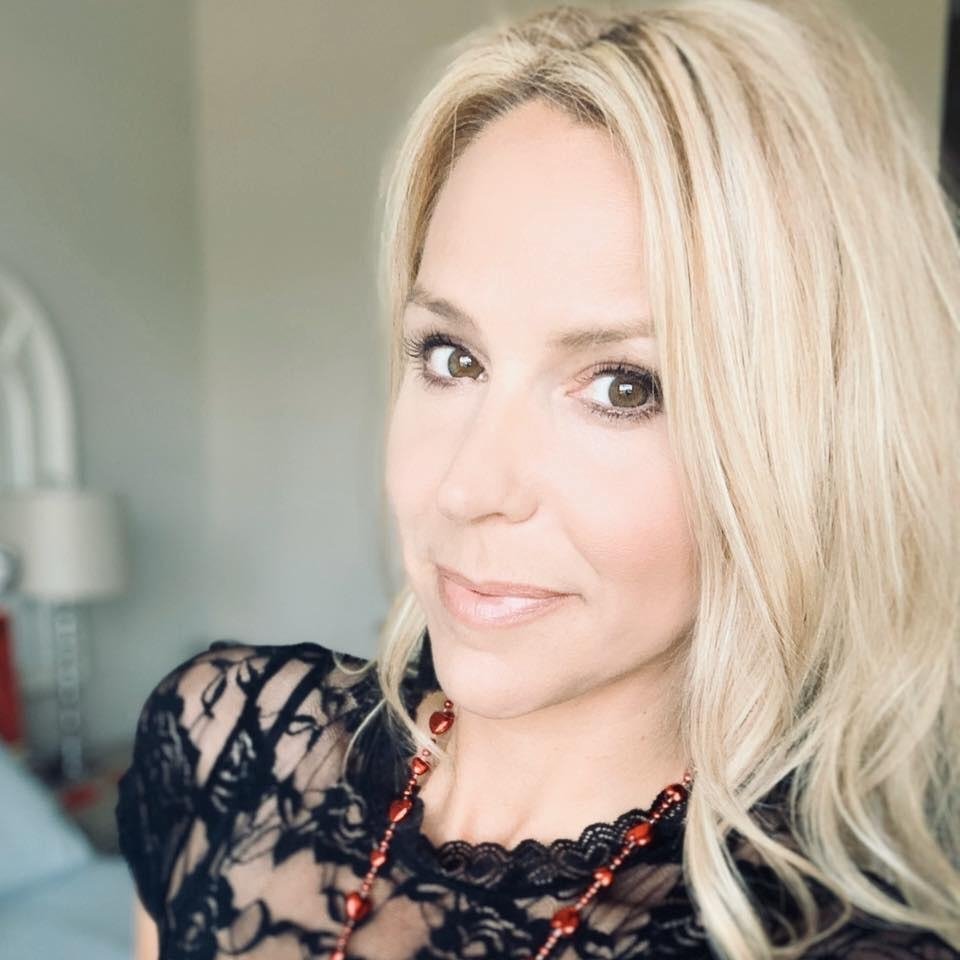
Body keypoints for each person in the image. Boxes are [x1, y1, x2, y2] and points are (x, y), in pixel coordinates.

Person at [115, 0, 960, 957]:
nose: (469, 488)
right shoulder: (222, 750)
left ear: (807, 445)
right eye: (452, 357)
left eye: (623, 386)